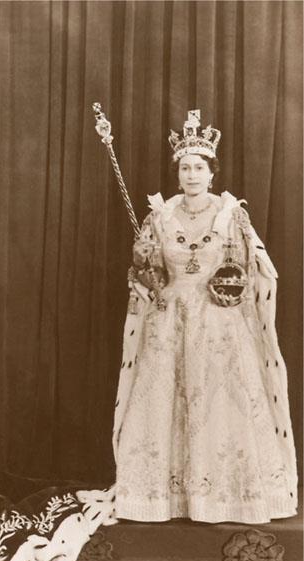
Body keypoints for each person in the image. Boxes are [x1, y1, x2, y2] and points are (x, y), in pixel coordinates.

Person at [112, 110, 298, 524]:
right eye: (185, 168)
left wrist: (231, 301)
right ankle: (162, 497)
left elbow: (247, 272)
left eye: (199, 167)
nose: (192, 175)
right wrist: (142, 263)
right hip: (169, 323)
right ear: (177, 174)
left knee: (221, 406)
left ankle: (223, 498)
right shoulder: (158, 216)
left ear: (212, 173)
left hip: (219, 324)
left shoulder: (232, 215)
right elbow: (149, 276)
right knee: (165, 403)